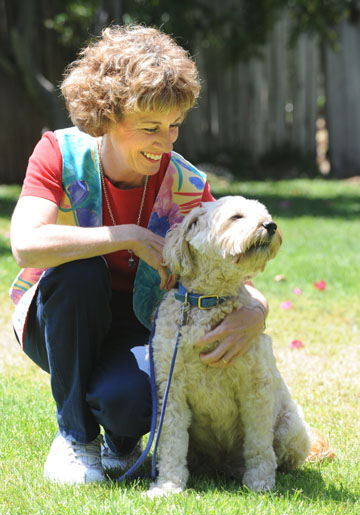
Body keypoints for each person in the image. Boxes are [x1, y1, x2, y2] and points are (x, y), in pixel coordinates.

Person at [10, 25, 268, 485]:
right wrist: (125, 235)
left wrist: (258, 312)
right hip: (58, 314)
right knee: (80, 272)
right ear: (105, 116)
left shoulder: (187, 184)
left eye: (174, 126)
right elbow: (26, 244)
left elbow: (228, 270)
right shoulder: (58, 152)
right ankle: (76, 437)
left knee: (136, 404)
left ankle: (119, 435)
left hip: (139, 321)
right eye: (151, 128)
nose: (166, 143)